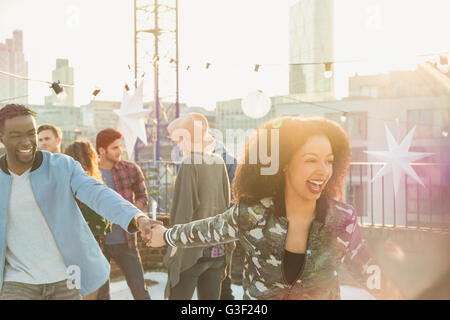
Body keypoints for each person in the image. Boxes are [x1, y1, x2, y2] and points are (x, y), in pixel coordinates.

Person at [148, 116, 404, 300]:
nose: (323, 171)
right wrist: (165, 236)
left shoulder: (341, 219)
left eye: (329, 161)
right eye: (311, 160)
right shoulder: (252, 213)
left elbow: (369, 272)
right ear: (285, 165)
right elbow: (204, 230)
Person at [0, 104, 153, 300]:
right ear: (1, 137)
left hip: (66, 278)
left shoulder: (61, 166)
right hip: (17, 281)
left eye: (31, 133)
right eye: (16, 135)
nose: (26, 141)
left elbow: (97, 193)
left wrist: (135, 216)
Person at [167, 113, 238, 300]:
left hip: (191, 251)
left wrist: (172, 248)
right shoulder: (218, 161)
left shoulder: (189, 164)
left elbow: (183, 212)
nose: (178, 145)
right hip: (217, 250)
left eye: (179, 139)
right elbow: (225, 206)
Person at [95, 128, 151, 300]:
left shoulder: (131, 169)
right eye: (115, 148)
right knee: (100, 294)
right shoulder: (91, 172)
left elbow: (143, 197)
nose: (120, 151)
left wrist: (129, 212)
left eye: (121, 146)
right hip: (98, 242)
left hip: (125, 240)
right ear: (101, 151)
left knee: (139, 290)